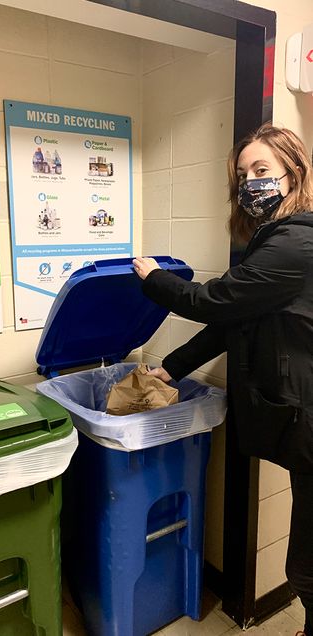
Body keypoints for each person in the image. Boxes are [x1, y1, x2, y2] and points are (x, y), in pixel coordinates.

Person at [132, 122, 313, 636]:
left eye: (262, 171)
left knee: (304, 568)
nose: (250, 183)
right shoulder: (274, 243)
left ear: (292, 174)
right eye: (242, 174)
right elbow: (233, 322)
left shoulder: (295, 245)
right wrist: (169, 369)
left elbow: (213, 301)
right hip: (306, 425)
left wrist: (154, 278)